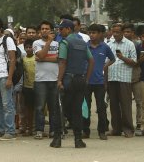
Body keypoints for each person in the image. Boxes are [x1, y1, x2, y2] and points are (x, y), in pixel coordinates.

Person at [57, 19, 94, 149]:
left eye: (61, 29)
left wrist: (59, 80)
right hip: (81, 80)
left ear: (68, 29)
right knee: (77, 110)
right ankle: (78, 140)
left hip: (68, 80)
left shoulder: (65, 42)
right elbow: (91, 60)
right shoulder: (83, 43)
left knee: (62, 109)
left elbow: (62, 62)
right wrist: (87, 78)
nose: (59, 31)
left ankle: (57, 139)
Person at [83, 24, 115, 140]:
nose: (91, 35)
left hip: (99, 82)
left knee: (101, 107)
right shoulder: (85, 46)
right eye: (90, 33)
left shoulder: (105, 47)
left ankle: (101, 131)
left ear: (100, 34)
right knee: (85, 107)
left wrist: (104, 67)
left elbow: (113, 59)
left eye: (94, 33)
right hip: (86, 81)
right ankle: (85, 131)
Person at [107, 22, 137, 138]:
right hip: (112, 77)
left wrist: (122, 58)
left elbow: (134, 62)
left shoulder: (129, 44)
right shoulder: (109, 44)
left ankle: (128, 129)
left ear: (122, 32)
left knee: (125, 105)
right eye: (113, 32)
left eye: (117, 32)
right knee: (113, 105)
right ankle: (116, 129)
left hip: (124, 78)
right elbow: (106, 61)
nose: (115, 34)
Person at [33, 20, 60, 140]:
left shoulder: (58, 44)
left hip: (54, 79)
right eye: (42, 29)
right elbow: (41, 54)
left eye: (47, 28)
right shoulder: (36, 43)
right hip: (41, 80)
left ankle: (53, 131)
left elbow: (58, 59)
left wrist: (43, 58)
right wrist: (48, 43)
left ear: (51, 30)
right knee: (40, 107)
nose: (44, 30)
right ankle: (39, 130)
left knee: (53, 107)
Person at [21, 39, 36, 138]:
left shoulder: (36, 58)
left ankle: (34, 128)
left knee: (36, 109)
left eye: (30, 47)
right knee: (27, 109)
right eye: (27, 47)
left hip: (36, 86)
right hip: (27, 87)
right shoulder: (23, 59)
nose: (29, 49)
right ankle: (28, 128)